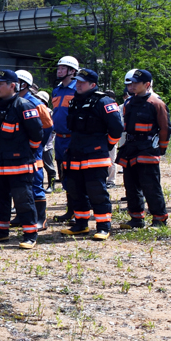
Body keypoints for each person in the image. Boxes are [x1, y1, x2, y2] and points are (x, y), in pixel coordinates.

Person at [0, 70, 44, 248]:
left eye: (1, 84)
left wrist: (24, 152)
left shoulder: (24, 105)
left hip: (20, 165)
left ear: (12, 86)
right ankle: (1, 232)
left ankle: (30, 234)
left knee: (23, 200)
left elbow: (37, 135)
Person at [60, 69, 124, 241]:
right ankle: (81, 224)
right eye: (77, 81)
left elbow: (116, 129)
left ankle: (103, 226)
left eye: (82, 82)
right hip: (75, 153)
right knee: (75, 190)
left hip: (95, 155)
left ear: (93, 85)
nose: (78, 84)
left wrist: (107, 145)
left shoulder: (104, 101)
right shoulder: (74, 102)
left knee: (96, 191)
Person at [116, 70, 171, 229]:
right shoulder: (128, 103)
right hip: (130, 148)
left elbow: (165, 128)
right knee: (130, 185)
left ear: (147, 85)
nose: (131, 86)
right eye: (130, 83)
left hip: (147, 149)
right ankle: (136, 219)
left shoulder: (156, 103)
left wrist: (161, 148)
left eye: (135, 83)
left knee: (151, 186)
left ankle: (159, 219)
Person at [14, 71, 54, 229]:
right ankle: (21, 215)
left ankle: (40, 219)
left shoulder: (36, 103)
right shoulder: (14, 101)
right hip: (17, 151)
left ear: (24, 84)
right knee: (19, 185)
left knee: (35, 184)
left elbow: (48, 126)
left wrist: (37, 144)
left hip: (32, 151)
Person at [50, 56, 79, 223]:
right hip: (59, 139)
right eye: (58, 68)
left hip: (73, 138)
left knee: (75, 175)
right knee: (64, 175)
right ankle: (70, 210)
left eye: (63, 68)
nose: (59, 71)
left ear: (72, 71)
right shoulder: (57, 90)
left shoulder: (78, 89)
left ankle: (79, 210)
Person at [35, 90, 59, 192]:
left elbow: (51, 127)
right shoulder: (35, 108)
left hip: (47, 142)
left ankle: (51, 185)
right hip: (38, 142)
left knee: (49, 165)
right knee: (38, 165)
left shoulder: (48, 111)